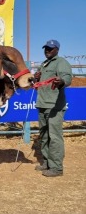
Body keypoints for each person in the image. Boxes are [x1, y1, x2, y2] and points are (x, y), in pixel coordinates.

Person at [34, 39, 72, 177]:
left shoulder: (61, 62)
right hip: (42, 104)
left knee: (54, 137)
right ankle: (47, 162)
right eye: (46, 48)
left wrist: (62, 82)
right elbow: (38, 82)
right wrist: (36, 77)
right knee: (44, 136)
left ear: (57, 49)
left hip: (54, 106)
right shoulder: (44, 64)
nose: (47, 51)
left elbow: (67, 77)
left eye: (50, 48)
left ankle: (56, 168)